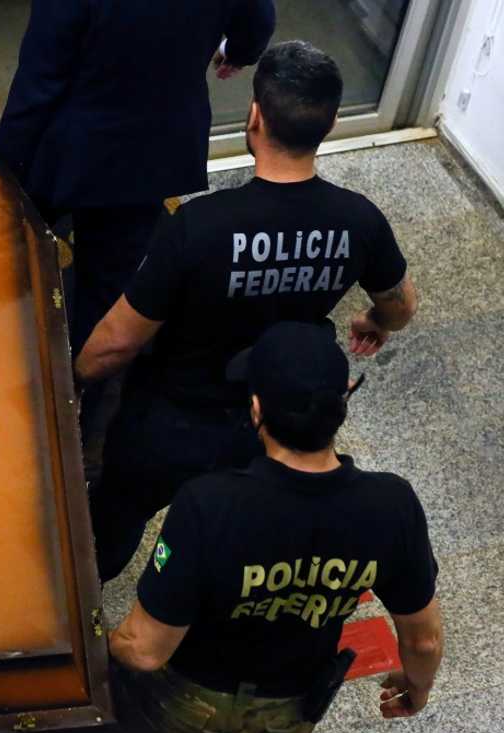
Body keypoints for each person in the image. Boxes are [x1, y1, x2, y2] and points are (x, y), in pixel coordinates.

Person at [75, 41, 419, 582]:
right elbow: (400, 304)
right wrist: (375, 323)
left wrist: (70, 381)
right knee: (237, 536)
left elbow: (117, 342)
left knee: (112, 522)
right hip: (274, 430)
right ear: (328, 127)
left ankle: (88, 591)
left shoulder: (198, 226)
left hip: (171, 420)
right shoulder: (360, 221)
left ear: (255, 116)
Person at [107, 322, 443, 733]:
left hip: (189, 703)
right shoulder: (394, 506)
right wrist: (417, 687)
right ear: (343, 401)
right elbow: (423, 640)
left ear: (255, 409)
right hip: (291, 707)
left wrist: (101, 645)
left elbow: (143, 650)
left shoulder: (207, 504)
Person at [0, 0, 276, 354]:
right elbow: (257, 22)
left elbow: (40, 80)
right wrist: (235, 50)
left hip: (66, 146)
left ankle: (2, 371)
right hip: (151, 153)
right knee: (104, 292)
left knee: (12, 263)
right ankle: (79, 394)